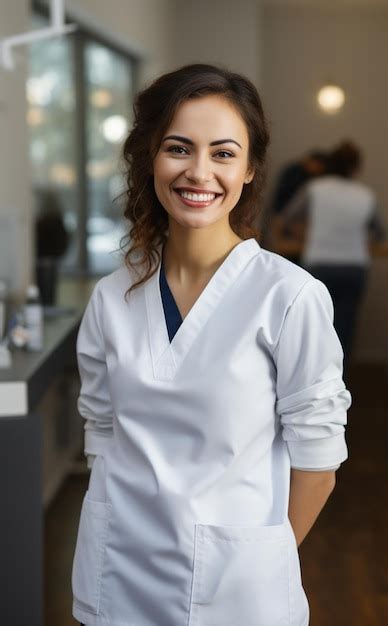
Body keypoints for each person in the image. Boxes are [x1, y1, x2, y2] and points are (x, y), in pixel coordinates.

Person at [71, 64, 351, 626]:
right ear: (149, 158)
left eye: (223, 153)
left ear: (249, 170)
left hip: (237, 594)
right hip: (116, 578)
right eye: (178, 148)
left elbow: (318, 467)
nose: (199, 172)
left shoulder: (290, 297)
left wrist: (258, 561)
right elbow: (101, 434)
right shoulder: (112, 298)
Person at [282, 140, 386, 369]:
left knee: (314, 331)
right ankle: (339, 388)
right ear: (356, 167)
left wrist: (306, 235)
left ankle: (310, 385)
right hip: (354, 268)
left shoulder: (315, 188)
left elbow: (288, 217)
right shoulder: (365, 195)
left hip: (319, 265)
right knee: (345, 330)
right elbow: (379, 233)